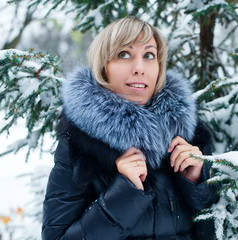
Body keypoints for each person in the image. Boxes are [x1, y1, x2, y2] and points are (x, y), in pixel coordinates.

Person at [42, 16, 219, 240]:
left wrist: (197, 185)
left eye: (149, 55)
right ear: (103, 67)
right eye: (124, 54)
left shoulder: (190, 138)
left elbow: (215, 232)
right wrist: (123, 193)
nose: (139, 68)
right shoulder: (80, 146)